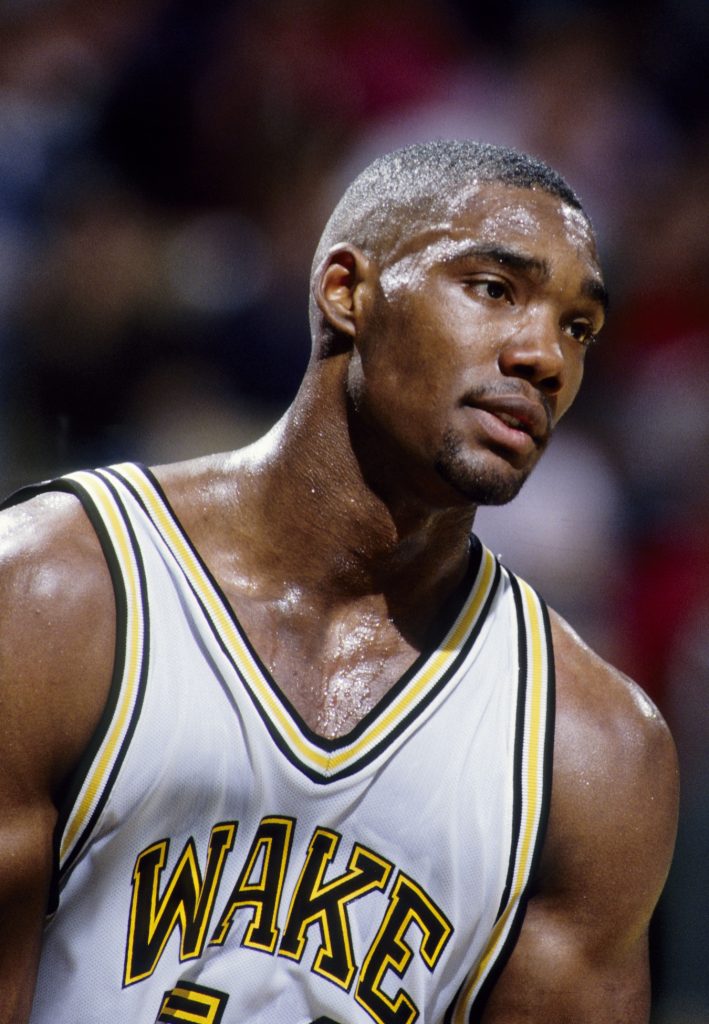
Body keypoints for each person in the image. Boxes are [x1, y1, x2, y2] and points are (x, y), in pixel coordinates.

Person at [0, 140, 678, 1023]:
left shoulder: (592, 751)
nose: (543, 357)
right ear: (345, 292)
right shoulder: (54, 593)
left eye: (576, 327)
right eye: (492, 290)